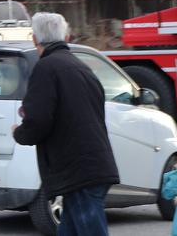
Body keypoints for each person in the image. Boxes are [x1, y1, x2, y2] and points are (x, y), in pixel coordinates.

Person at [12, 12, 118, 235]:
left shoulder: (46, 68)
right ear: (66, 37)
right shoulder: (81, 67)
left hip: (77, 171)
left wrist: (20, 133)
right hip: (93, 164)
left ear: (34, 39)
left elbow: (38, 121)